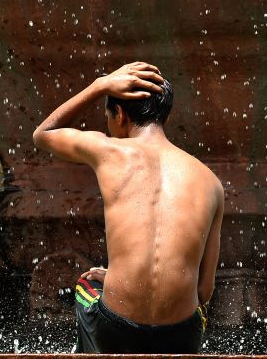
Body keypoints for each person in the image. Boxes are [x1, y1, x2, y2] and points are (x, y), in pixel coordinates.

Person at [32, 62, 224, 354]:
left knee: (87, 286)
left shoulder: (108, 151)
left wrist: (101, 85)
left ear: (119, 115)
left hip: (117, 330)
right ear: (164, 116)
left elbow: (43, 134)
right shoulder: (211, 183)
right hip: (181, 335)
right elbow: (203, 291)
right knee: (195, 311)